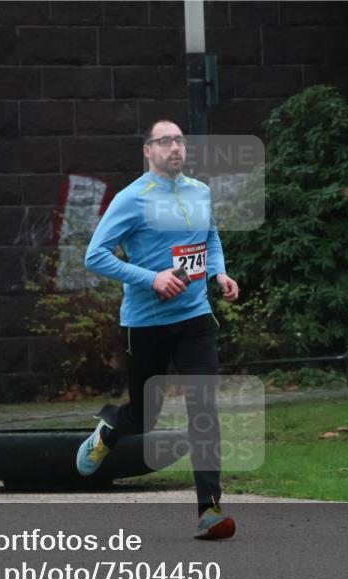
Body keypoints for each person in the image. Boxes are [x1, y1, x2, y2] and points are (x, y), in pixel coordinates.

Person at [78, 119, 240, 540]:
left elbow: (211, 237)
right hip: (146, 323)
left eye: (179, 140)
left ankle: (210, 509)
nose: (174, 147)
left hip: (195, 318)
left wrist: (220, 274)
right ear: (147, 151)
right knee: (145, 416)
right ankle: (111, 427)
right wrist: (152, 278)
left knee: (203, 410)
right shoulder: (131, 199)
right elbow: (95, 256)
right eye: (164, 140)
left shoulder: (199, 191)